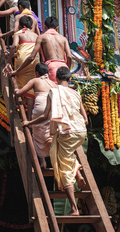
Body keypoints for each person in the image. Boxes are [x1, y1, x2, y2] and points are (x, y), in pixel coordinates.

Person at [23, 67, 88, 216]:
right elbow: (85, 119)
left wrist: (30, 123)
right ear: (70, 79)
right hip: (80, 132)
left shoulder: (54, 92)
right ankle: (77, 173)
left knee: (63, 167)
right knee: (64, 153)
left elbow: (46, 116)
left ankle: (74, 208)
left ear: (56, 80)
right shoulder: (76, 93)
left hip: (67, 133)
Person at [10, 16, 81, 83]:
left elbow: (31, 57)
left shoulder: (42, 37)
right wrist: (67, 69)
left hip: (51, 68)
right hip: (64, 68)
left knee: (51, 93)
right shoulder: (63, 39)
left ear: (45, 27)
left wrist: (17, 71)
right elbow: (69, 56)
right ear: (57, 28)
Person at [15, 62, 56, 168]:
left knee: (36, 134)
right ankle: (53, 160)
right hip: (53, 109)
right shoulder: (53, 83)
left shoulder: (35, 80)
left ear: (36, 73)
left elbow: (20, 93)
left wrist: (16, 91)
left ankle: (42, 162)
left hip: (41, 108)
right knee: (48, 133)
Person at [3, 15, 40, 119]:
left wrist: (8, 61)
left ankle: (19, 112)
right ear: (31, 25)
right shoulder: (36, 36)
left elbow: (14, 46)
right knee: (31, 88)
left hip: (22, 60)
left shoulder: (18, 33)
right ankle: (29, 117)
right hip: (35, 61)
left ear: (20, 25)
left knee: (19, 84)